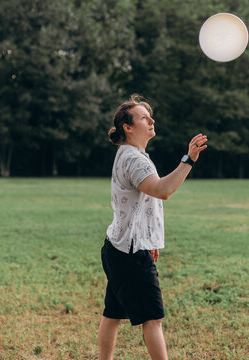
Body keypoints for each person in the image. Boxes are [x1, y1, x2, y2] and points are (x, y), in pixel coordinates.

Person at [98, 95, 208, 360]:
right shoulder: (135, 160)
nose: (151, 120)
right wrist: (189, 159)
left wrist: (148, 240)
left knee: (112, 314)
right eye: (144, 117)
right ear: (128, 126)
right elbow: (162, 190)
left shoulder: (129, 154)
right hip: (130, 254)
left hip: (117, 247)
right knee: (153, 320)